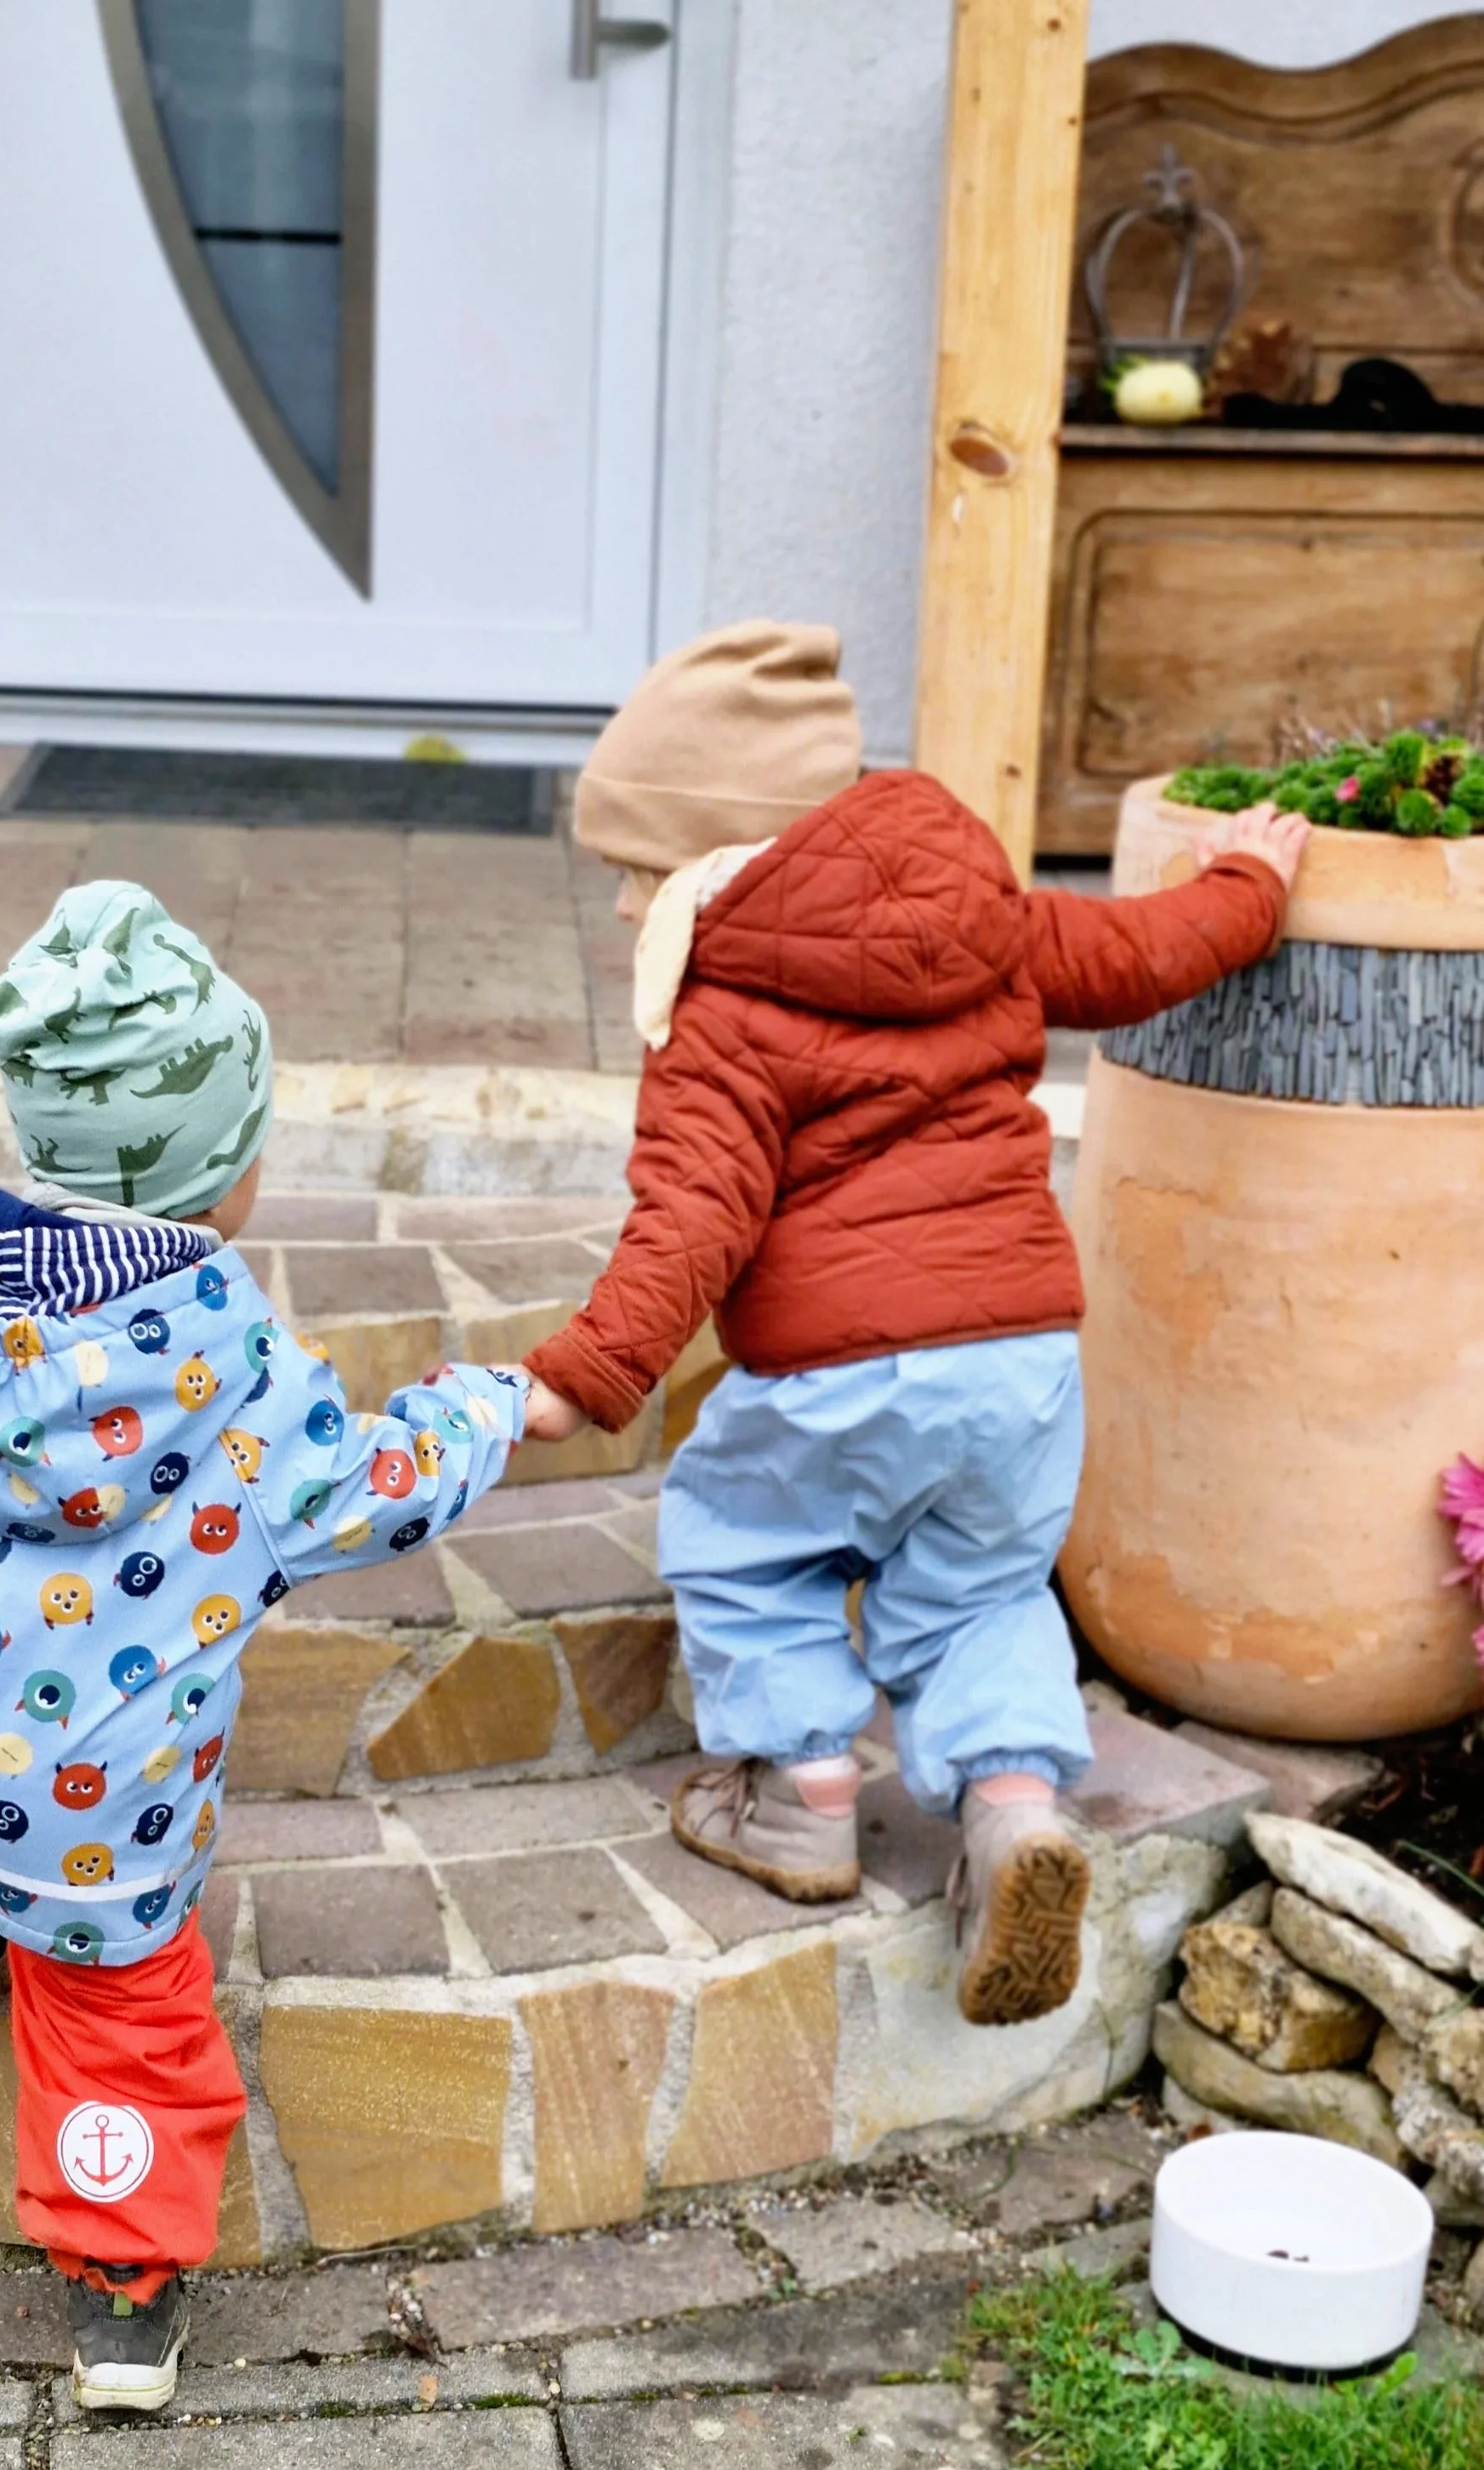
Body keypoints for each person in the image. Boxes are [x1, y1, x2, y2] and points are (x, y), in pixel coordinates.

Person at [0, 882, 525, 2414]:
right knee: (121, 2022)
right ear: (224, 1172)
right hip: (98, 1813)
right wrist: (486, 1407)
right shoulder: (248, 1388)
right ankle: (122, 2291)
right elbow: (376, 1492)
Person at [518, 621, 1308, 2029]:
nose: (631, 913)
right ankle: (1010, 1809)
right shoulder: (984, 912)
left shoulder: (721, 1006)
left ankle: (804, 1793)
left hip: (836, 1371)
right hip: (1020, 1357)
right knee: (985, 1590)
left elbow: (689, 1220)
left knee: (744, 1546)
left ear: (724, 862)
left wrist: (587, 1375)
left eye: (640, 874)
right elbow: (1142, 952)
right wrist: (1249, 882)